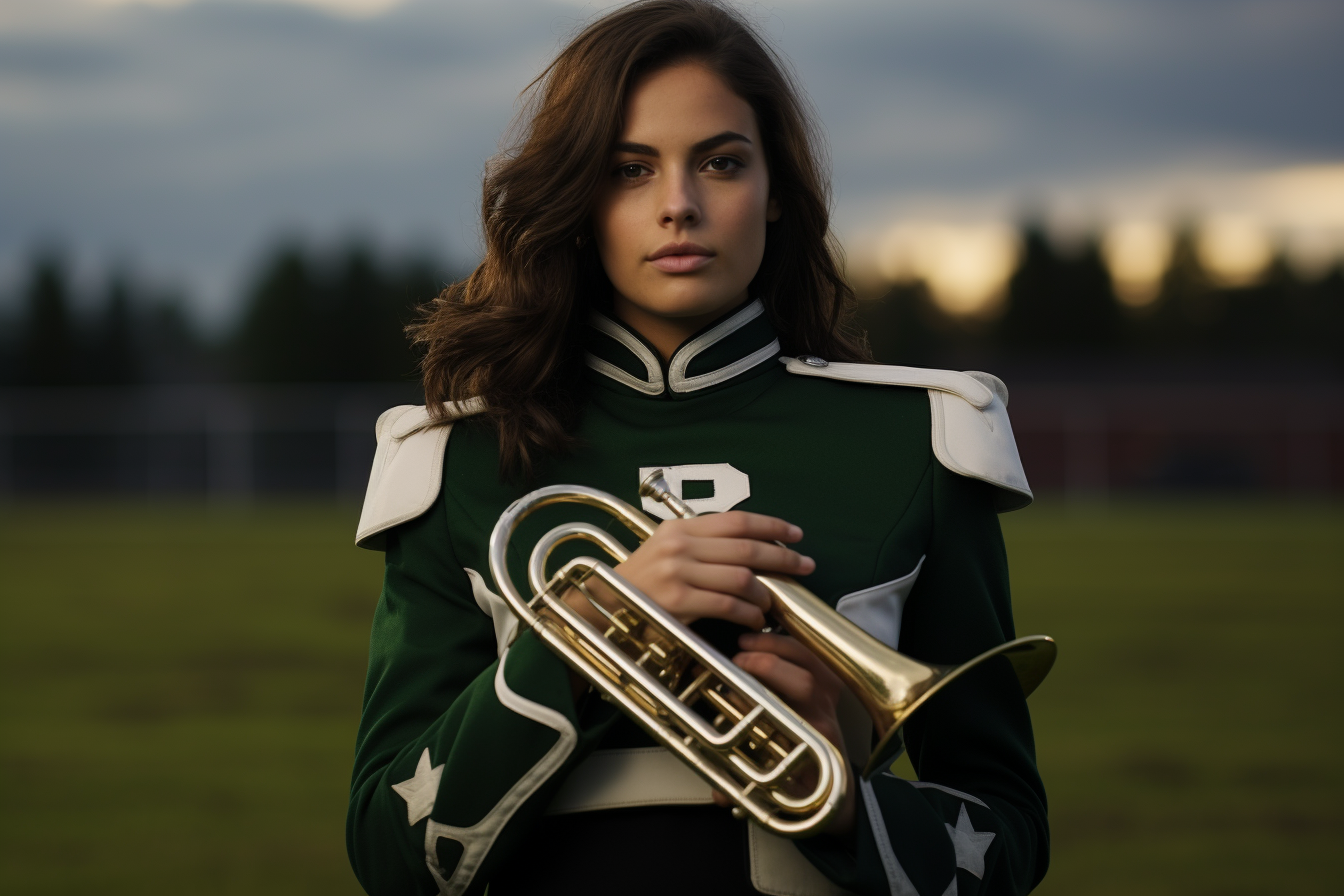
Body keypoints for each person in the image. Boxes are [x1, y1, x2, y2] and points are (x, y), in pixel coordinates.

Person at [346, 2, 1048, 894]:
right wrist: (593, 632)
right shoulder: (456, 459)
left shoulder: (917, 440)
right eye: (629, 170)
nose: (678, 206)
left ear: (778, 188)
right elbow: (389, 854)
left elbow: (1008, 845)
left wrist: (844, 805)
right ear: (579, 199)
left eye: (720, 162)